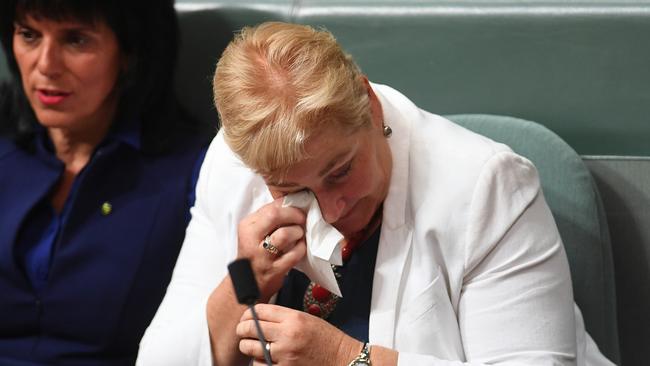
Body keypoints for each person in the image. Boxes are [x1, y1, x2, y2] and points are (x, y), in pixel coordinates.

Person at [138, 22, 613, 365]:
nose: (331, 209)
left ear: (367, 104)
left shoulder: (489, 187)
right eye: (291, 189)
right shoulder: (233, 160)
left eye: (340, 172)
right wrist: (244, 282)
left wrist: (346, 358)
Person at [0, 0, 208, 364]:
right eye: (29, 35)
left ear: (130, 52)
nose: (45, 65)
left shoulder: (195, 171)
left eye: (76, 40)